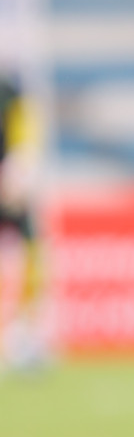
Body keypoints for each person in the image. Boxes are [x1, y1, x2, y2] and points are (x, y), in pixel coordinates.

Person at [0, 73, 46, 372]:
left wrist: (18, 170)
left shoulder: (11, 88)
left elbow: (24, 134)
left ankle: (25, 334)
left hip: (10, 183)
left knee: (32, 253)